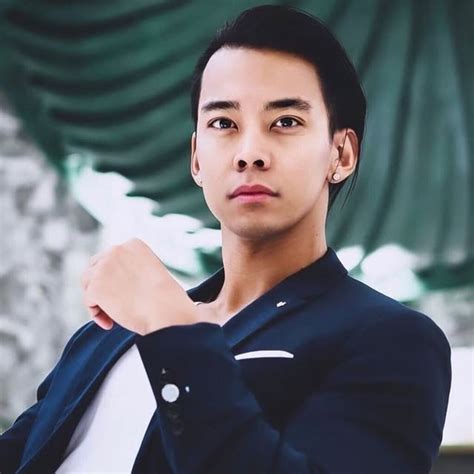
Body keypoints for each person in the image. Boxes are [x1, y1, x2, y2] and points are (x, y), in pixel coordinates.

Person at [0, 4, 451, 473]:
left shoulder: (392, 340)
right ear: (197, 158)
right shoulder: (107, 334)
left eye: (285, 122)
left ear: (341, 154)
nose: (249, 153)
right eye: (223, 124)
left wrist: (172, 328)